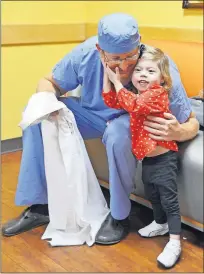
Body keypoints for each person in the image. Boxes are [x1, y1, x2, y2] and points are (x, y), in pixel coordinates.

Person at [2, 13, 199, 245]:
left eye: (130, 57)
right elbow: (49, 82)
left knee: (118, 133)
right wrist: (47, 100)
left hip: (129, 120)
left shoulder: (158, 64)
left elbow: (191, 120)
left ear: (140, 44)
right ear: (100, 49)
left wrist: (180, 132)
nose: (124, 66)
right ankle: (41, 206)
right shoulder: (85, 54)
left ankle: (119, 216)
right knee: (39, 113)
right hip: (93, 115)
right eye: (115, 59)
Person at [102, 45, 182, 268]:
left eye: (150, 71)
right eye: (139, 71)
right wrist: (108, 76)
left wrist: (118, 84)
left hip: (164, 159)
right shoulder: (138, 94)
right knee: (152, 194)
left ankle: (175, 241)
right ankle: (160, 223)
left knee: (169, 201)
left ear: (163, 79)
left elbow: (133, 104)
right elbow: (111, 101)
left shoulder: (156, 95)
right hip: (147, 158)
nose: (143, 75)